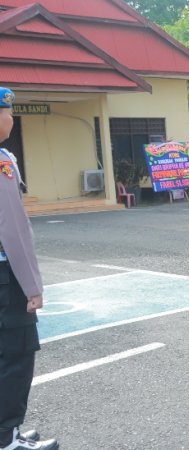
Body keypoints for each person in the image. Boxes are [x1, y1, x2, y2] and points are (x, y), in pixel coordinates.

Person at [0, 87, 59, 450]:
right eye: (8, 111)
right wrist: (32, 285)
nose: (11, 118)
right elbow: (13, 229)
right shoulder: (2, 160)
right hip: (6, 279)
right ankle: (7, 437)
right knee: (16, 354)